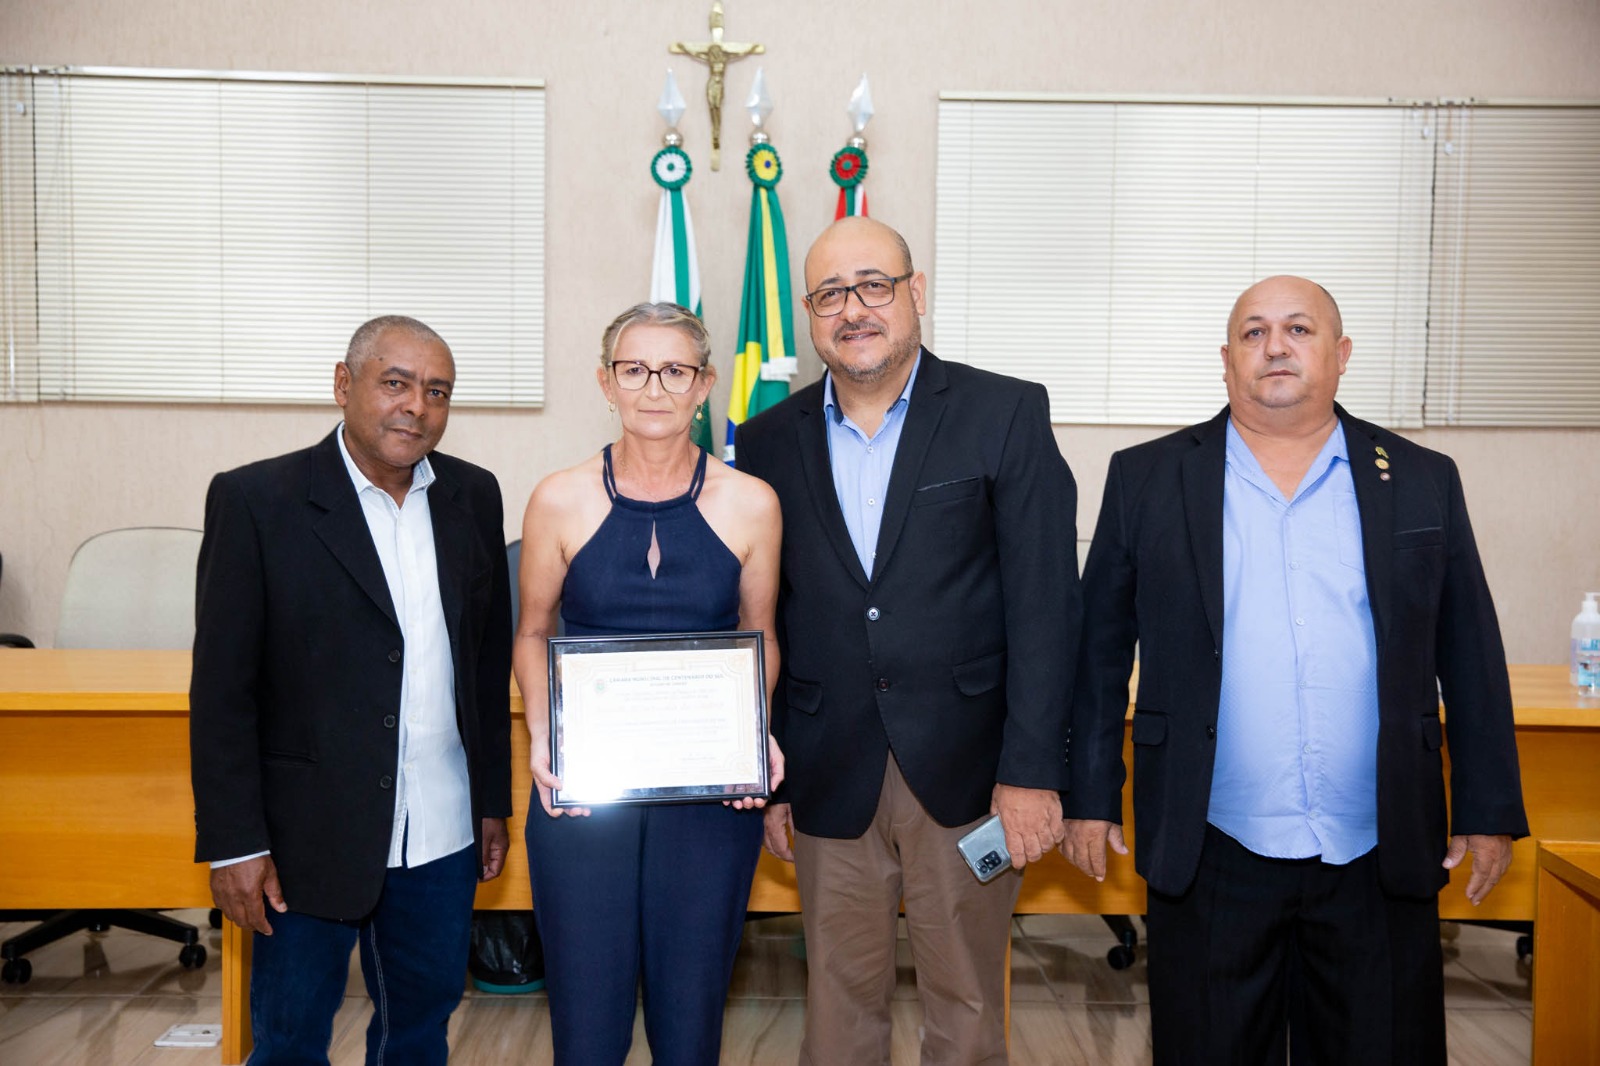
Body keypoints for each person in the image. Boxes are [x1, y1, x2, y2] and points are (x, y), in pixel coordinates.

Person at [1063, 276, 1529, 1065]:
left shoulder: (1421, 477)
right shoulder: (1147, 477)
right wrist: (1088, 796)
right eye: (1253, 332)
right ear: (1226, 361)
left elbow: (1471, 651)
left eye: (1298, 329)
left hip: (1378, 844)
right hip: (1209, 843)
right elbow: (1099, 653)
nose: (1275, 346)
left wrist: (1487, 808)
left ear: (1341, 354)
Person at [735, 216, 1081, 1065]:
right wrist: (767, 773)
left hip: (970, 772)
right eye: (829, 294)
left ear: (915, 292)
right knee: (837, 1008)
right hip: (826, 767)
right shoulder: (769, 439)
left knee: (965, 1005)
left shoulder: (1004, 411)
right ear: (809, 315)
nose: (853, 309)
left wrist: (1032, 771)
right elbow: (763, 616)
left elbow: (1046, 605)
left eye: (873, 285)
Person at [190, 315, 513, 1064]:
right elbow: (222, 693)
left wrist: (490, 799)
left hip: (440, 830)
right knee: (290, 1041)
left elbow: (484, 665)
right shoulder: (257, 500)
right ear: (343, 384)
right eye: (395, 383)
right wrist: (235, 843)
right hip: (304, 840)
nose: (416, 407)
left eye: (437, 392)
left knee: (418, 1035)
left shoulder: (473, 495)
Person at [514, 302, 784, 1066]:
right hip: (583, 793)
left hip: (708, 799)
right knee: (586, 1030)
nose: (654, 388)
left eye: (674, 371)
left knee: (690, 1026)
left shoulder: (753, 502)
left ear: (704, 385)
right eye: (634, 369)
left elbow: (762, 635)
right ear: (606, 383)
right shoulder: (558, 497)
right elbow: (532, 632)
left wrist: (753, 733)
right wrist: (543, 736)